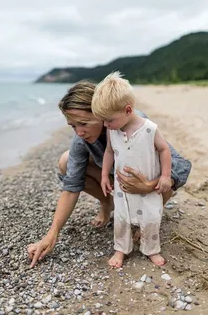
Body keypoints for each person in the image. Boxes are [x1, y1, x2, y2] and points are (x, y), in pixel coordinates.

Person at [27, 80, 192, 268]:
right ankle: (107, 203)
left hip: (148, 184)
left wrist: (148, 185)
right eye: (73, 126)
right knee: (66, 161)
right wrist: (52, 234)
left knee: (168, 181)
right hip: (117, 182)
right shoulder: (82, 139)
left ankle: (147, 219)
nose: (79, 132)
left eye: (83, 123)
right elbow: (71, 187)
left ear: (101, 112)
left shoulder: (134, 123)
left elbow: (181, 165)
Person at [92, 72, 171, 267]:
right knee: (121, 219)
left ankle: (151, 249)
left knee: (151, 219)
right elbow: (109, 152)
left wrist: (165, 176)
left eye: (108, 120)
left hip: (148, 185)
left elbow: (164, 149)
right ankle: (121, 249)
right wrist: (104, 175)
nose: (105, 125)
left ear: (127, 110)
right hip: (122, 188)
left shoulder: (149, 129)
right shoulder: (113, 130)